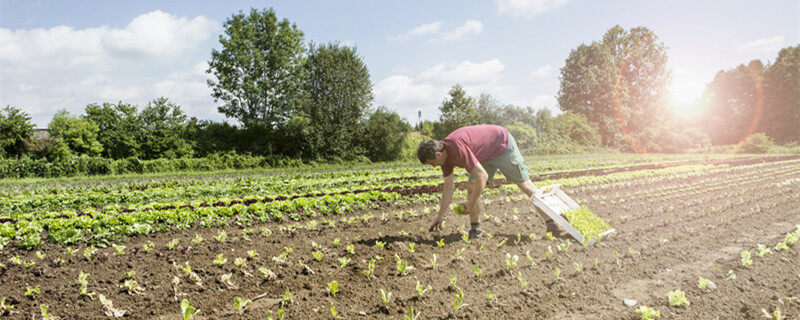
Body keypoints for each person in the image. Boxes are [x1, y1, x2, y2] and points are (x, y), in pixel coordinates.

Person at [417, 124, 553, 239]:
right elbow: (448, 188)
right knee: (471, 185)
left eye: (432, 163)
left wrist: (470, 204)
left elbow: (482, 175)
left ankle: (553, 222)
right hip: (484, 154)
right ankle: (475, 230)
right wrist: (440, 216)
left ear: (438, 154)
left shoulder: (456, 146)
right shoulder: (444, 160)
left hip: (502, 145)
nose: (434, 166)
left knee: (525, 185)